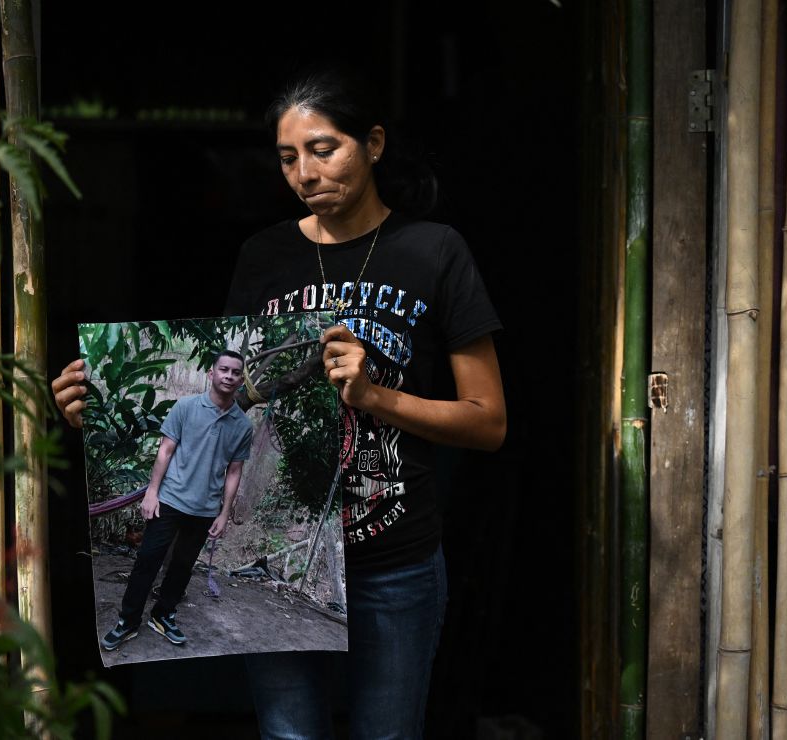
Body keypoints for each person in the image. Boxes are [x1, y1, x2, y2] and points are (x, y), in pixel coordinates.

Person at [52, 68, 506, 739]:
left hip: (395, 563)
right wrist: (112, 411)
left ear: (373, 143)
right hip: (277, 561)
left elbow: (488, 422)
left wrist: (376, 396)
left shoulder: (435, 252)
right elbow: (226, 402)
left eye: (324, 149)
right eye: (289, 157)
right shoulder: (264, 257)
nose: (305, 173)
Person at [97, 349, 253, 650]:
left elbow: (234, 472)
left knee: (182, 566)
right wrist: (152, 493)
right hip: (169, 500)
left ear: (240, 380)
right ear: (212, 373)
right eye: (224, 370)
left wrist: (224, 513)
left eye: (235, 372)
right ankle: (127, 622)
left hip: (205, 508)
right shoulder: (186, 407)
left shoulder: (242, 426)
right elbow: (165, 451)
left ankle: (163, 614)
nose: (229, 376)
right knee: (147, 562)